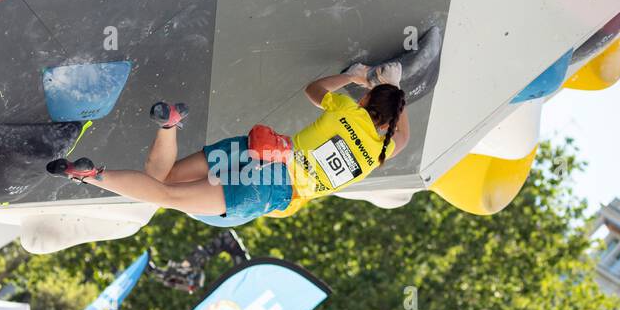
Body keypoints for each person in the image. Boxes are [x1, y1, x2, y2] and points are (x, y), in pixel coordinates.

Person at [45, 62, 409, 227]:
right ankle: (89, 175)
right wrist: (392, 98)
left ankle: (170, 124)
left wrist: (355, 77)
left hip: (258, 150)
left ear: (366, 102)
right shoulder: (379, 153)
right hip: (269, 190)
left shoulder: (347, 109)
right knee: (166, 197)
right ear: (387, 124)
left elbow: (314, 89)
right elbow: (402, 138)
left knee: (165, 178)